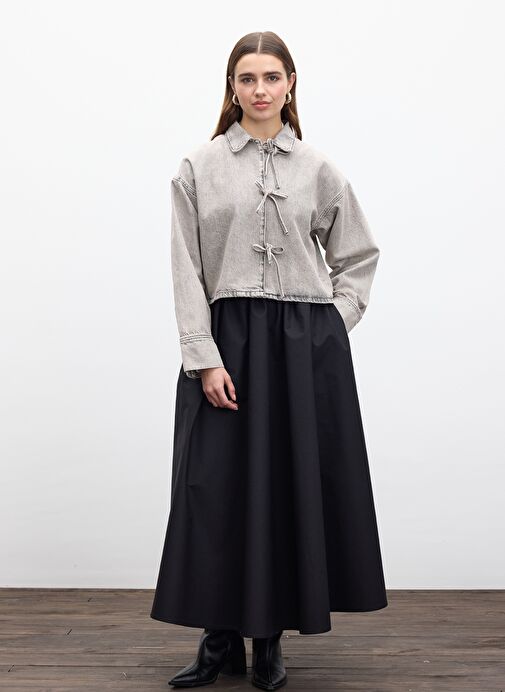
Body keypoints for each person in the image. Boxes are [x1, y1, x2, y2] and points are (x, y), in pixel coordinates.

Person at [150, 30, 388, 690]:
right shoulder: (198, 167)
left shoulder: (317, 168)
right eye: (247, 78)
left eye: (271, 77)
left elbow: (358, 257)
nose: (260, 90)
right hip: (226, 343)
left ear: (290, 84)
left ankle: (270, 638)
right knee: (216, 489)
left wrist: (330, 327)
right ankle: (219, 638)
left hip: (301, 350)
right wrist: (203, 357)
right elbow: (185, 268)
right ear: (231, 87)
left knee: (287, 488)